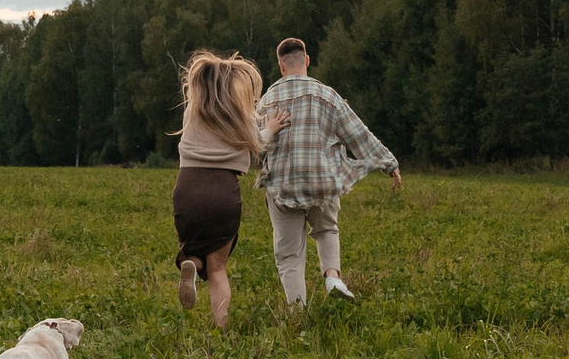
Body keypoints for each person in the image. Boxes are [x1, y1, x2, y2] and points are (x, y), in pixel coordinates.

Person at [254, 37, 399, 304]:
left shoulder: (266, 100)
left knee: (289, 254)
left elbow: (256, 145)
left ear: (281, 66)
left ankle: (298, 313)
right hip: (322, 181)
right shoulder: (328, 95)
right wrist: (388, 162)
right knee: (326, 230)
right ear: (307, 60)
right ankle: (332, 276)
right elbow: (357, 134)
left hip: (283, 185)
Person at [170, 50, 288, 329]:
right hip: (223, 190)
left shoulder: (192, 111)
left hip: (187, 187)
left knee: (196, 244)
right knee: (219, 269)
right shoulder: (238, 113)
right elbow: (258, 144)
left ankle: (192, 263)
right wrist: (271, 127)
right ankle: (221, 329)